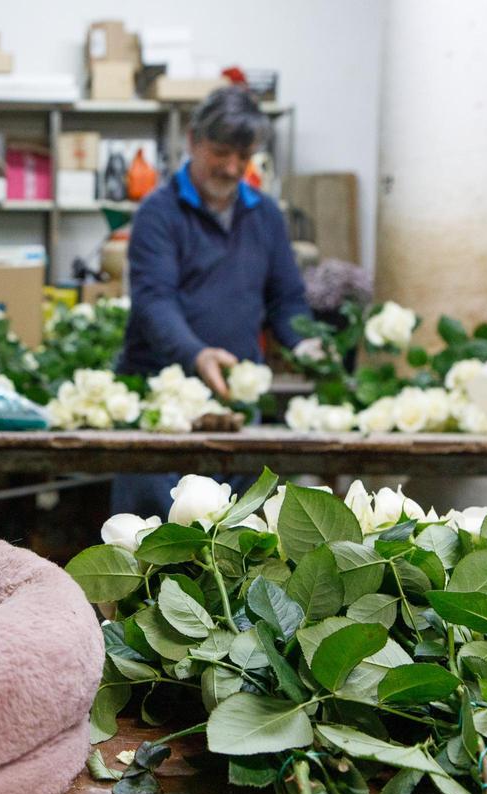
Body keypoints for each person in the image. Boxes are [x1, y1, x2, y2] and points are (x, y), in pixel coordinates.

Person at [112, 84, 314, 519]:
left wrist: (306, 344)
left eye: (243, 157)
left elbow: (287, 301)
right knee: (152, 542)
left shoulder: (265, 216)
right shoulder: (158, 214)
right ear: (193, 140)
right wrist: (196, 354)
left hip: (235, 408)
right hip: (162, 410)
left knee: (240, 542)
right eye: (221, 152)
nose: (232, 167)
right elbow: (154, 301)